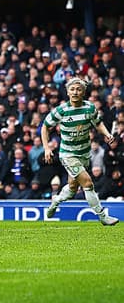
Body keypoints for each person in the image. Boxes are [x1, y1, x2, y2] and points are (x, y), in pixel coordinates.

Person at [42, 78, 119, 225]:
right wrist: (46, 148)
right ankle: (103, 216)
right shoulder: (61, 111)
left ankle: (56, 200)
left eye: (78, 89)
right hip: (68, 154)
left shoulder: (89, 108)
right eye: (72, 89)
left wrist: (107, 134)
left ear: (83, 92)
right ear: (67, 92)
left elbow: (98, 123)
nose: (75, 92)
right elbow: (45, 127)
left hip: (84, 153)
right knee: (88, 184)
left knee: (72, 188)